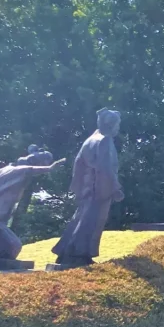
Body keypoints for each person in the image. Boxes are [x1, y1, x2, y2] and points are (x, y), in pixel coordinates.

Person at [52, 108, 124, 267]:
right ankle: (77, 255)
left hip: (87, 187)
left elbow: (78, 164)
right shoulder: (104, 140)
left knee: (81, 218)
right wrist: (115, 188)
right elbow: (105, 168)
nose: (118, 128)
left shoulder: (90, 140)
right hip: (98, 188)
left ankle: (65, 252)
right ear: (111, 125)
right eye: (118, 124)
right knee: (91, 221)